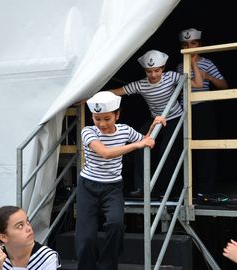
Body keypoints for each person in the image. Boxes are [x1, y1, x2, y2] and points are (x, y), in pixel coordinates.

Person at [75, 91, 163, 270]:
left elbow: (145, 140)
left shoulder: (125, 130)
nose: (102, 124)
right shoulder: (88, 131)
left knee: (116, 225)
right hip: (88, 186)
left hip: (113, 187)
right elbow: (106, 153)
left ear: (117, 115)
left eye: (107, 119)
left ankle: (108, 266)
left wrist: (154, 125)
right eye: (97, 118)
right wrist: (136, 145)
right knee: (86, 237)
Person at [110, 49, 204, 198]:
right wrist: (91, 96)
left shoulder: (171, 77)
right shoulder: (141, 84)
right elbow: (117, 92)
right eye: (149, 71)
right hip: (155, 119)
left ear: (163, 68)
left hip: (174, 118)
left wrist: (193, 63)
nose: (153, 75)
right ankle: (141, 187)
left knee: (167, 150)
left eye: (157, 70)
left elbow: (198, 84)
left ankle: (164, 191)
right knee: (139, 143)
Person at [177, 28, 228, 195]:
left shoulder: (207, 62)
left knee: (206, 148)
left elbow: (224, 86)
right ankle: (186, 187)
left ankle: (205, 188)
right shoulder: (179, 66)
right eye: (186, 44)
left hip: (204, 107)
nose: (190, 47)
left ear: (200, 44)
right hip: (184, 109)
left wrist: (209, 77)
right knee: (185, 147)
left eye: (193, 43)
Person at [0, 205, 61, 270]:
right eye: (20, 226)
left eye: (27, 222)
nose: (29, 228)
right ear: (3, 237)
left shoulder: (46, 258)